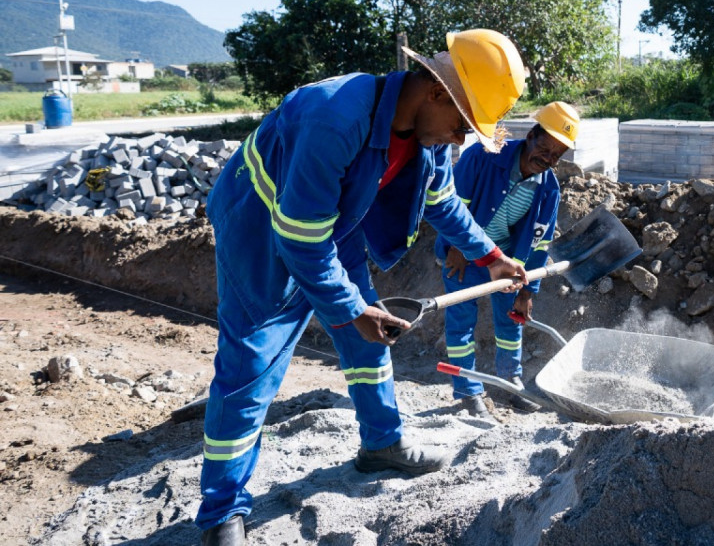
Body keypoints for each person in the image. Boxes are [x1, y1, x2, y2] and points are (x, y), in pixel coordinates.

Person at [196, 30, 530, 546]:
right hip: (259, 224)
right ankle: (222, 513)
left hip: (330, 225)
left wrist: (491, 257)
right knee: (250, 366)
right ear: (437, 92)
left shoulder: (428, 136)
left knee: (368, 336)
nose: (462, 140)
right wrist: (351, 307)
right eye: (463, 125)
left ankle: (381, 445)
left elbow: (442, 202)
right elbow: (299, 238)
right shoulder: (336, 116)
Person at [438, 101, 579, 417]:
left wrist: (528, 290)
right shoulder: (484, 157)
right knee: (461, 322)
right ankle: (468, 391)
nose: (548, 159)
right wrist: (457, 250)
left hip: (508, 262)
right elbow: (452, 206)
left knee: (511, 323)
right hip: (463, 254)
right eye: (545, 149)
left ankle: (510, 384)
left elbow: (540, 242)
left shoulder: (548, 188)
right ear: (531, 135)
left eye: (557, 156)